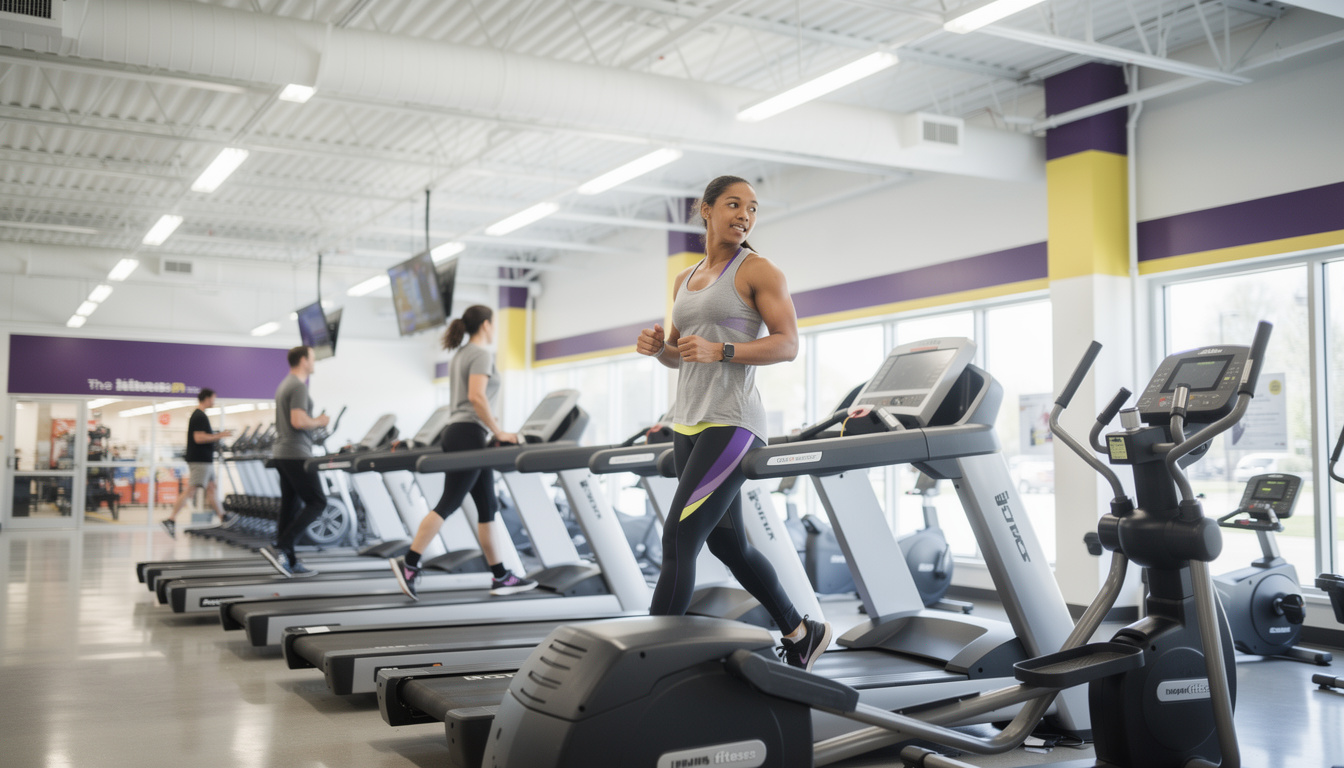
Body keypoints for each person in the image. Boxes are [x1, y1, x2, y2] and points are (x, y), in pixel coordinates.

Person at [636, 175, 832, 671]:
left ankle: (645, 665)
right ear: (705, 210)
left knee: (679, 539)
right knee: (729, 543)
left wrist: (723, 349)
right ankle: (801, 631)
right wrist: (659, 348)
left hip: (733, 424)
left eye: (752, 208)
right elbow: (682, 356)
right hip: (689, 423)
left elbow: (788, 344)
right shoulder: (685, 278)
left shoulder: (759, 270)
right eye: (732, 204)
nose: (744, 214)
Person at [390, 305, 538, 600]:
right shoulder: (481, 354)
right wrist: (499, 431)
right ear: (486, 325)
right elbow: (476, 396)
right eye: (493, 324)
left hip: (462, 433)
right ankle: (409, 562)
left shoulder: (460, 354)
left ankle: (500, 576)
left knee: (487, 507)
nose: (494, 328)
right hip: (469, 433)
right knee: (449, 502)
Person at [259, 346, 329, 578]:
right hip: (296, 453)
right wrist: (319, 421)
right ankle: (280, 546)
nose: (314, 361)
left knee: (291, 507)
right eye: (312, 357)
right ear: (303, 360)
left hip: (283, 453)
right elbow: (298, 421)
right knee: (317, 502)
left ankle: (287, 558)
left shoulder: (285, 384)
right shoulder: (298, 386)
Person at [162, 388, 233, 537]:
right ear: (207, 398)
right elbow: (198, 438)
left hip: (204, 460)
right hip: (200, 460)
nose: (214, 401)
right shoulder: (199, 416)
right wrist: (219, 436)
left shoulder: (201, 415)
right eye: (213, 398)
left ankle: (223, 516)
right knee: (191, 490)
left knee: (212, 488)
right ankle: (171, 519)